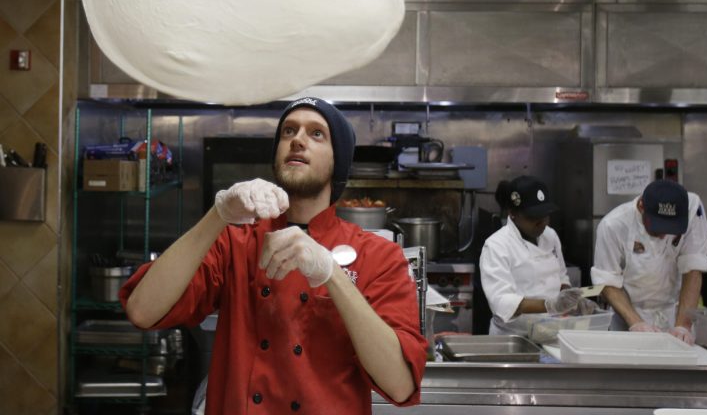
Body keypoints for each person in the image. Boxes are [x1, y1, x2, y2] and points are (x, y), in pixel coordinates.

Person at [120, 97, 427, 414]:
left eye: (316, 133)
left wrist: (330, 273)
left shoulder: (378, 255)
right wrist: (218, 214)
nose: (297, 140)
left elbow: (400, 383)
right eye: (289, 131)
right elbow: (143, 310)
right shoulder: (237, 240)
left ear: (339, 162)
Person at [591, 179, 707, 345]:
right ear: (641, 206)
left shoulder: (693, 208)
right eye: (657, 227)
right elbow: (607, 282)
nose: (664, 235)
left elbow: (693, 268)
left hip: (675, 313)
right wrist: (636, 323)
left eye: (671, 229)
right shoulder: (613, 225)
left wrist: (683, 326)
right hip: (628, 317)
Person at [479, 175, 595, 335]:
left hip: (552, 330)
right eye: (533, 217)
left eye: (545, 215)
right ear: (513, 213)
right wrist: (550, 305)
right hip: (514, 336)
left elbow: (561, 278)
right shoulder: (496, 245)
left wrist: (572, 299)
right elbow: (502, 302)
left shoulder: (551, 236)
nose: (542, 223)